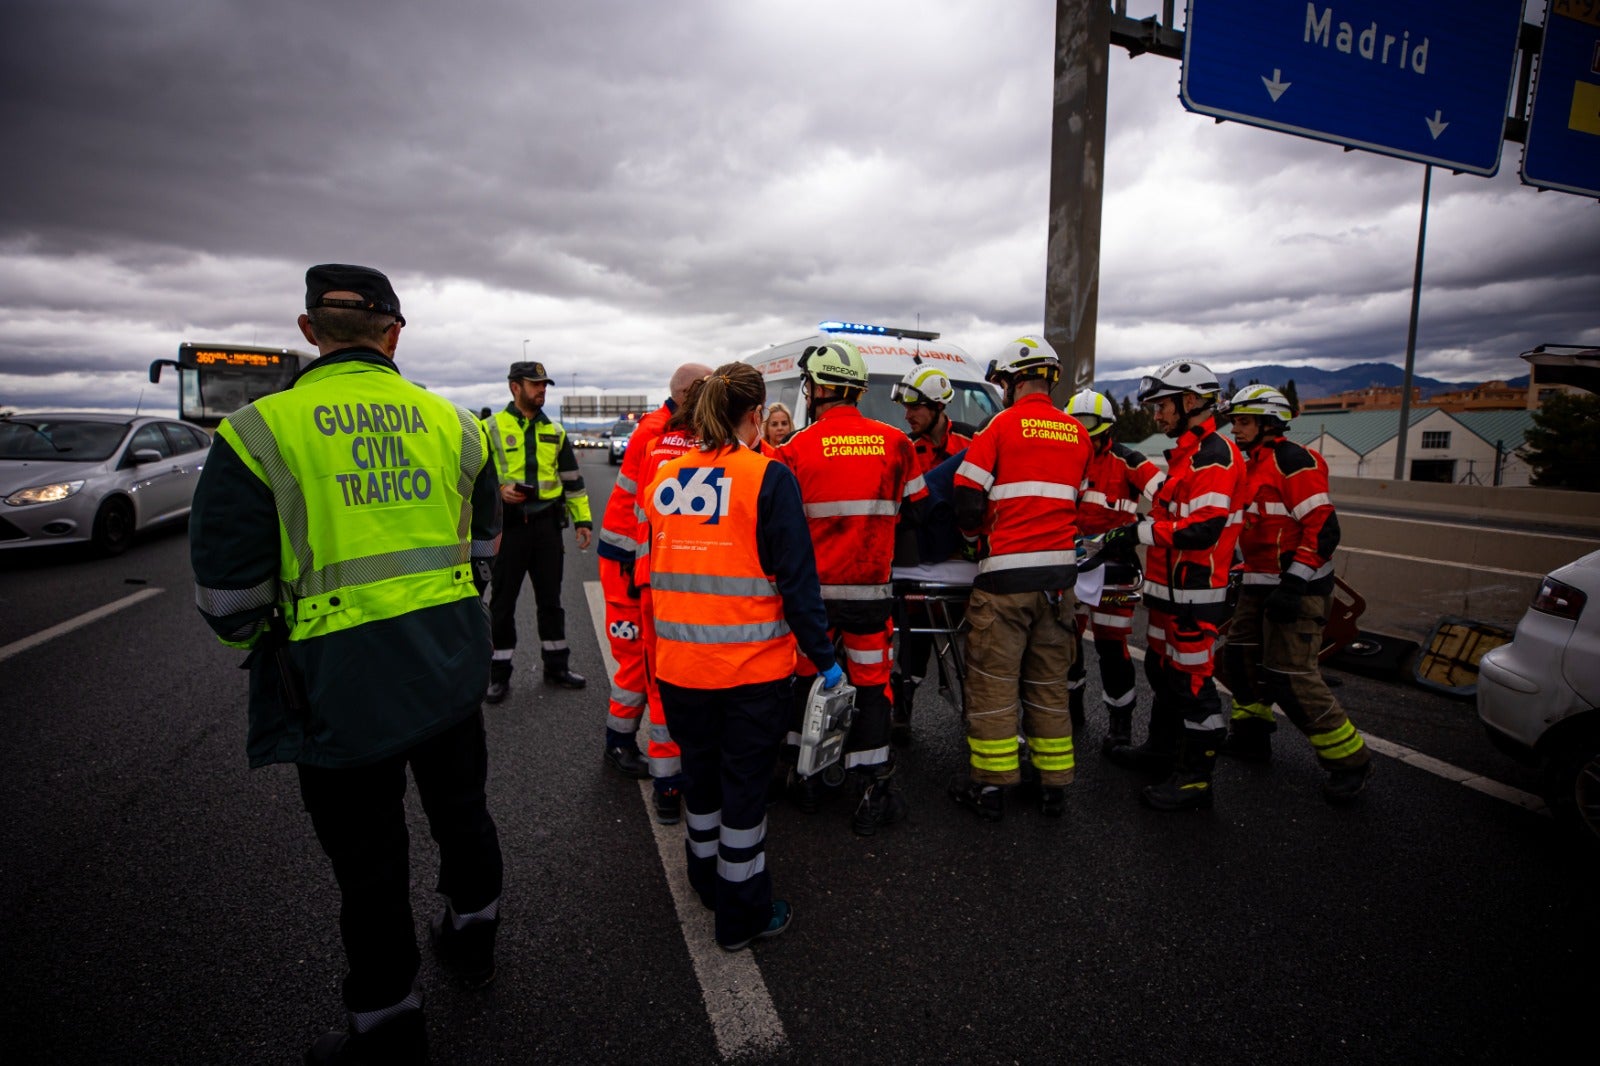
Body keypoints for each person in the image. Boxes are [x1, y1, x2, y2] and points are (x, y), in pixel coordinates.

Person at [190, 264, 504, 1064]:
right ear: (394, 333)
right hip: (446, 659)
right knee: (462, 809)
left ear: (307, 331)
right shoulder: (459, 425)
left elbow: (228, 595)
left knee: (369, 860)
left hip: (335, 677)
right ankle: (474, 930)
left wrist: (265, 652)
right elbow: (483, 551)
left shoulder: (261, 430)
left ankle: (389, 1021)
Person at [642, 361, 840, 951]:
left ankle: (705, 881)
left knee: (700, 783)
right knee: (745, 795)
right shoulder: (768, 478)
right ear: (756, 416)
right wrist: (826, 659)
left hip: (679, 670)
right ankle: (742, 915)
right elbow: (798, 585)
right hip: (750, 675)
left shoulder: (666, 477)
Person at [778, 338, 927, 835]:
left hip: (811, 603)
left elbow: (777, 527)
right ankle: (871, 791)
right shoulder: (897, 443)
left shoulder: (793, 449)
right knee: (872, 688)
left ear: (819, 389)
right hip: (870, 597)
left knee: (807, 681)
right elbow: (918, 510)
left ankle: (807, 783)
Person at [949, 335, 1092, 821]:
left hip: (1006, 579)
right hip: (1059, 581)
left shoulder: (1001, 426)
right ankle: (1053, 786)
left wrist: (974, 538)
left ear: (1009, 381)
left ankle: (990, 789)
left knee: (994, 682)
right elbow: (1086, 508)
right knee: (1049, 682)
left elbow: (967, 495)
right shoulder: (1078, 433)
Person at [1102, 359, 1247, 811]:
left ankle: (1195, 777)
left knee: (1193, 685)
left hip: (1195, 596)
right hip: (1168, 594)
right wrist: (1134, 526)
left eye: (1161, 406)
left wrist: (1136, 533)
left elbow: (1201, 529)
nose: (1156, 416)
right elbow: (1169, 515)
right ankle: (1162, 750)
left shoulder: (1215, 457)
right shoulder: (1186, 456)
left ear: (1190, 402)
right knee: (1161, 672)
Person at [1220, 385, 1373, 803]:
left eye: (1244, 421)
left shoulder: (1294, 462)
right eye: (1234, 420)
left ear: (1270, 423)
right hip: (1257, 582)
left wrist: (1294, 584)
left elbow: (1324, 528)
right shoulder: (1250, 464)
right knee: (1239, 659)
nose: (1236, 428)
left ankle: (1350, 761)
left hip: (1297, 588)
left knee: (1290, 675)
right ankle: (1251, 736)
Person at [596, 363, 711, 787]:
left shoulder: (673, 426)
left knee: (653, 658)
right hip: (628, 562)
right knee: (635, 660)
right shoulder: (658, 433)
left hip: (644, 562)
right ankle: (619, 743)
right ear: (689, 393)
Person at [1062, 389, 1164, 752]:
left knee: (1110, 645)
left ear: (1107, 433)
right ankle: (1071, 710)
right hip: (1069, 564)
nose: (1084, 445)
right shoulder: (1063, 458)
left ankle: (1120, 722)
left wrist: (1136, 527)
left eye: (1091, 437)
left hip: (1112, 568)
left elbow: (1170, 499)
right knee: (1066, 643)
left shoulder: (1129, 461)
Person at [484, 360, 592, 699]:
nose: (542, 389)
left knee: (551, 601)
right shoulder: (489, 428)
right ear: (515, 387)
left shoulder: (556, 432)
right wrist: (499, 490)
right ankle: (498, 673)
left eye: (544, 384)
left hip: (546, 527)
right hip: (509, 529)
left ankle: (556, 666)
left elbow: (573, 482)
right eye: (535, 384)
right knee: (502, 603)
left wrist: (583, 521)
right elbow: (474, 478)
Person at [887, 364, 975, 743]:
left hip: (964, 556)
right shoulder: (906, 449)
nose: (907, 415)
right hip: (923, 552)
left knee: (976, 646)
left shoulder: (973, 447)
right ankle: (902, 708)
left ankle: (981, 714)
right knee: (915, 639)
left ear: (939, 407)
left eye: (915, 407)